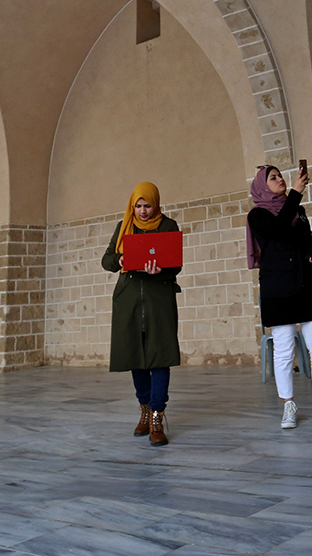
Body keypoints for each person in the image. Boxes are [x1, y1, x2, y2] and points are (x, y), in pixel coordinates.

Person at [246, 164, 312, 429]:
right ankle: (288, 405)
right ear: (261, 185)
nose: (280, 179)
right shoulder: (257, 215)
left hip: (305, 285)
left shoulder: (299, 212)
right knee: (283, 351)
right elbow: (278, 233)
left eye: (280, 175)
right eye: (273, 177)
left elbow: (303, 242)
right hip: (278, 289)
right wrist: (296, 192)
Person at [100, 181, 181, 446]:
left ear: (156, 204)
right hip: (129, 299)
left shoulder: (169, 225)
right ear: (132, 205)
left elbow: (176, 265)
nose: (143, 211)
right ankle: (144, 410)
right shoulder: (124, 226)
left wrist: (161, 272)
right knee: (136, 356)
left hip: (159, 299)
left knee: (159, 356)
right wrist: (121, 260)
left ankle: (158, 415)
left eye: (147, 206)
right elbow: (106, 260)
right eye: (138, 205)